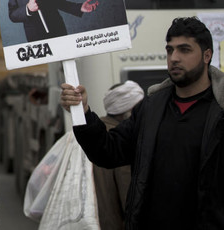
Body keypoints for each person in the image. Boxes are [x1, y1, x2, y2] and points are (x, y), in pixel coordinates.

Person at [60, 16, 224, 229]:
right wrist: (82, 113)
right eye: (169, 50)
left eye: (184, 50)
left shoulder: (219, 112)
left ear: (207, 55)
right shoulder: (151, 108)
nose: (174, 58)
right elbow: (108, 151)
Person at [93, 80, 145, 230]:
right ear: (128, 111)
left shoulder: (96, 136)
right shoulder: (120, 142)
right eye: (139, 110)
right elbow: (128, 194)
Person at [8, 0, 99, 42]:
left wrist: (79, 7)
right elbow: (12, 15)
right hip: (35, 36)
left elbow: (58, 2)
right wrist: (28, 9)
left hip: (57, 30)